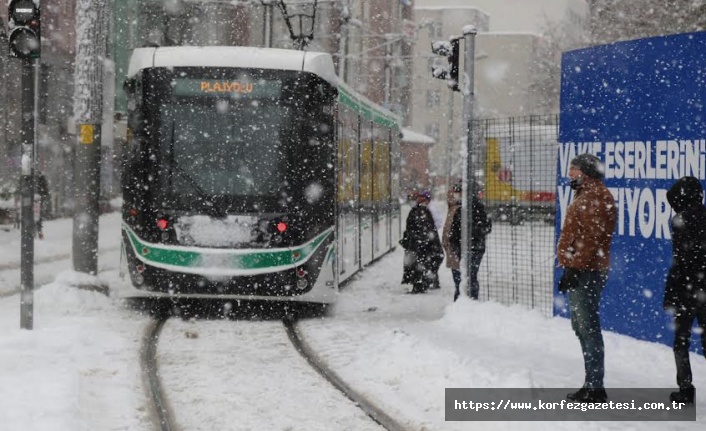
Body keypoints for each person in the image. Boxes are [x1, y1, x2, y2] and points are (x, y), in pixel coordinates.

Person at [557, 153, 617, 403]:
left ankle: (595, 387)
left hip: (587, 272)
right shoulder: (586, 194)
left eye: (574, 170)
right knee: (581, 327)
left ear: (586, 172)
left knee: (588, 327)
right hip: (582, 268)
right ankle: (591, 383)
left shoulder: (595, 197)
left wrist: (575, 268)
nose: (570, 174)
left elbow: (592, 238)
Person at [664, 176, 706, 405]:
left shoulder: (680, 220)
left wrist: (671, 292)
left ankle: (685, 388)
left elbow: (681, 261)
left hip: (687, 290)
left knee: (681, 340)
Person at [445, 182, 491, 301]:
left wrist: (458, 240)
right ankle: (467, 299)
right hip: (468, 247)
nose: (455, 194)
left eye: (457, 192)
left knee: (465, 276)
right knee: (468, 276)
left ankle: (464, 300)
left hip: (470, 247)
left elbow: (485, 227)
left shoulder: (470, 207)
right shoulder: (461, 207)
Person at [400, 191, 444, 294]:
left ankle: (420, 285)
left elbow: (416, 228)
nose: (419, 201)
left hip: (419, 244)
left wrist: (416, 240)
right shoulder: (423, 211)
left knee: (419, 264)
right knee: (425, 262)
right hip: (423, 244)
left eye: (422, 199)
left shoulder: (420, 211)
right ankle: (427, 282)